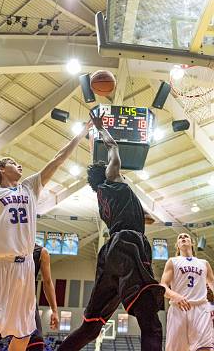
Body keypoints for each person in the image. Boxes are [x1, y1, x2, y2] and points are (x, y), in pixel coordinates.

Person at [0, 122, 89, 351]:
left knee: (24, 333)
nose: (19, 166)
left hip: (25, 267)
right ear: (1, 170)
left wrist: (82, 134)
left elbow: (57, 160)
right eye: (13, 163)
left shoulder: (29, 188)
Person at [58, 110, 165, 351]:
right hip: (128, 245)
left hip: (111, 253)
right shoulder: (112, 177)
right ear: (107, 172)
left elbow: (133, 217)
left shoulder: (102, 198)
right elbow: (113, 146)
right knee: (151, 324)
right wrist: (100, 127)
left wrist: (143, 217)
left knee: (91, 327)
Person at [161, 233, 214, 351]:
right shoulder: (172, 261)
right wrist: (175, 296)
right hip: (178, 308)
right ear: (177, 245)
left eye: (186, 236)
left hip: (201, 308)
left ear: (192, 242)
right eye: (180, 237)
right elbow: (163, 286)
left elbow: (212, 283)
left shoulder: (204, 263)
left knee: (205, 348)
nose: (183, 238)